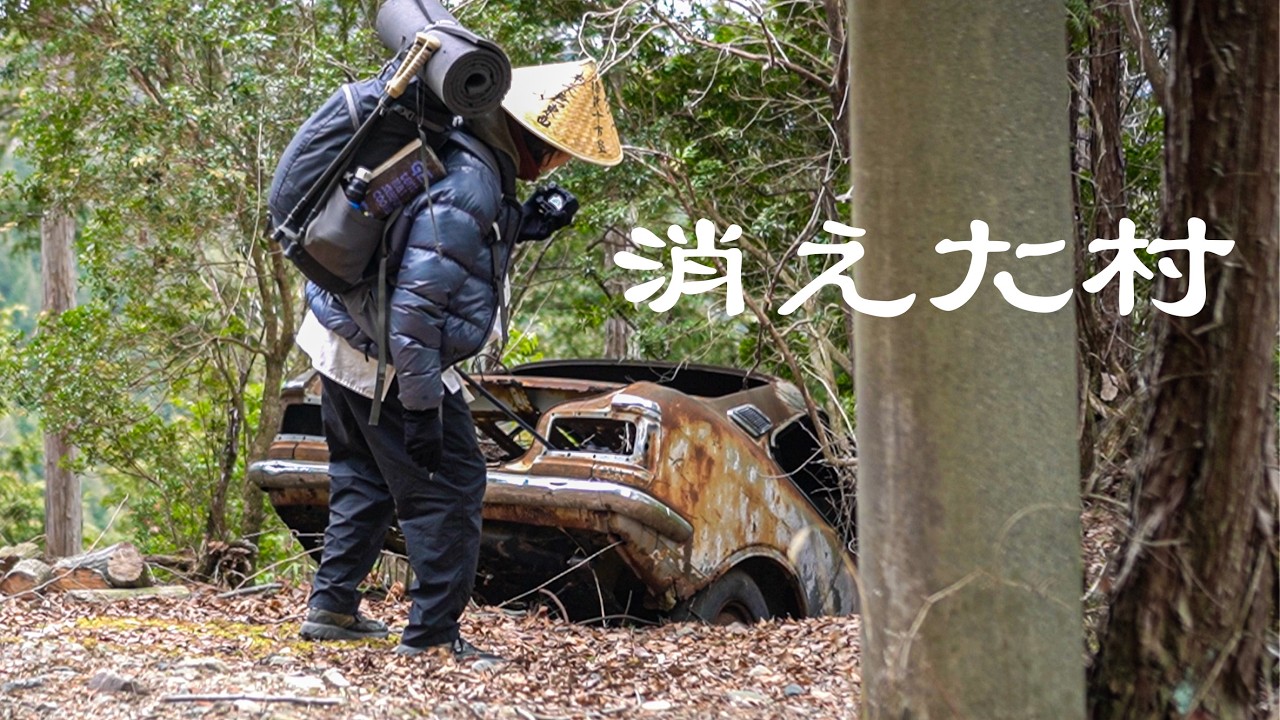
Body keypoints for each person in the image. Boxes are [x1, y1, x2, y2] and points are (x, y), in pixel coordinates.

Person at [294, 59, 623, 663]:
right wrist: (421, 411)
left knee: (365, 475)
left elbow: (436, 240)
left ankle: (333, 606)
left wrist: (524, 222)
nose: (558, 165)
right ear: (535, 139)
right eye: (558, 153)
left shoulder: (460, 140)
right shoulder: (473, 180)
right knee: (451, 487)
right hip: (388, 359)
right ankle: (432, 638)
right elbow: (415, 315)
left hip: (337, 333)